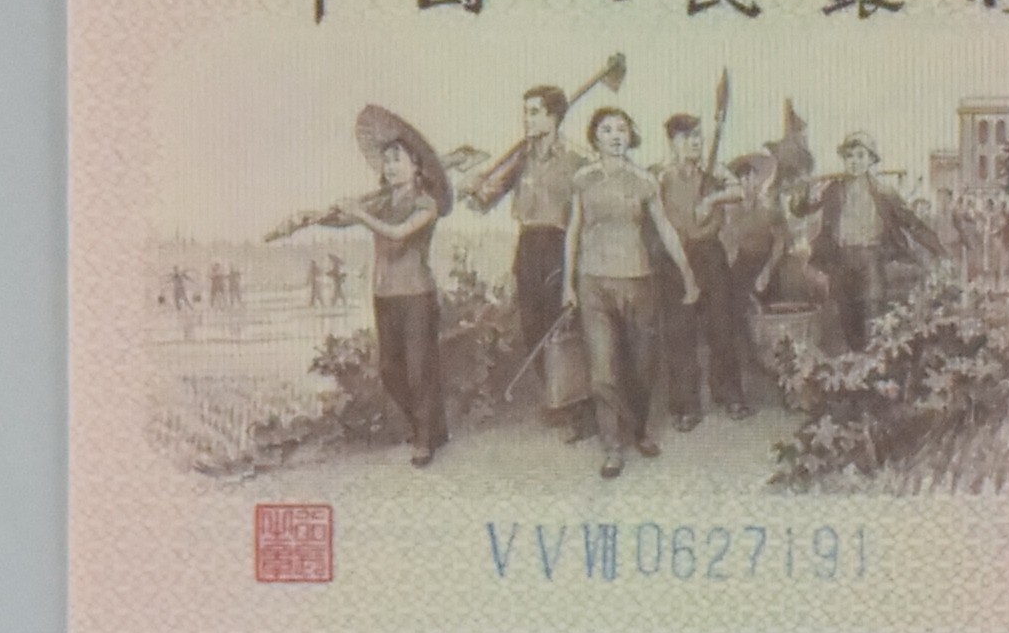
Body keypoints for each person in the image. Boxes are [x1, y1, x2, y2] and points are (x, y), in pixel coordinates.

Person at [288, 141, 448, 466]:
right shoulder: (381, 201)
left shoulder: (426, 204)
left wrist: (360, 213)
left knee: (419, 370)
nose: (390, 168)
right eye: (386, 162)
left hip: (417, 295)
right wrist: (314, 218)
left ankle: (424, 438)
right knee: (389, 370)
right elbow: (343, 220)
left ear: (416, 166)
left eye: (397, 160)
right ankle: (430, 427)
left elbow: (397, 233)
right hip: (384, 294)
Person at [564, 108, 701, 478]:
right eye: (607, 130)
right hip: (593, 283)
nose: (615, 136)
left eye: (622, 129)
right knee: (602, 370)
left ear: (631, 136)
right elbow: (573, 231)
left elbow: (666, 229)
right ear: (595, 138)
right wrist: (567, 285)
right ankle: (612, 447)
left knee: (642, 366)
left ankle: (639, 430)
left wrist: (688, 275)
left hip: (638, 282)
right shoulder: (583, 180)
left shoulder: (644, 181)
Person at [468, 86, 589, 440]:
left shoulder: (576, 160)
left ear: (554, 116)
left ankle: (580, 405)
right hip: (528, 246)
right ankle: (556, 395)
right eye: (525, 112)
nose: (527, 119)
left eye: (534, 112)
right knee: (532, 326)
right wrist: (475, 186)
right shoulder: (520, 160)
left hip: (561, 244)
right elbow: (482, 202)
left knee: (564, 326)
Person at [794, 132, 943, 352]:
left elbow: (912, 223)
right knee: (846, 317)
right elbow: (801, 210)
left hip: (871, 260)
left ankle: (873, 361)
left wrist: (940, 251)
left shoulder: (883, 192)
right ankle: (855, 363)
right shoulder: (833, 190)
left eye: (860, 155)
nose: (854, 161)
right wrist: (803, 192)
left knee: (873, 316)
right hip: (841, 260)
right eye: (849, 156)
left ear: (871, 160)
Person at [656, 113, 753, 425]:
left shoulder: (713, 171)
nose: (695, 143)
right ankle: (686, 405)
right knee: (680, 332)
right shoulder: (661, 176)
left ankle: (729, 393)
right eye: (686, 137)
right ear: (672, 143)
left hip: (710, 254)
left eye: (698, 136)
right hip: (674, 257)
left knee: (722, 326)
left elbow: (739, 191)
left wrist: (711, 200)